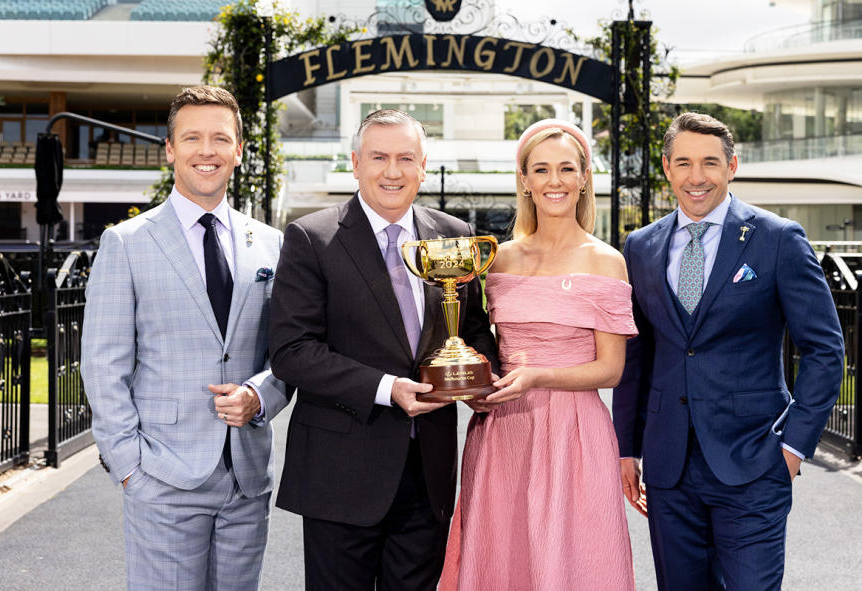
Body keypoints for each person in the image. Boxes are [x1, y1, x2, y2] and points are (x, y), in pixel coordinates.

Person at [613, 112, 844, 590]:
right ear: (666, 168)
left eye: (710, 163)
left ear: (732, 165)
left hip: (755, 459)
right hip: (668, 466)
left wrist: (793, 448)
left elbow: (824, 350)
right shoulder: (639, 247)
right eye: (684, 163)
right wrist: (627, 449)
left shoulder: (778, 239)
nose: (697, 177)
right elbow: (637, 355)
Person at [268, 109, 497, 590]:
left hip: (427, 471)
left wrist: (476, 376)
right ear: (355, 163)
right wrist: (387, 388)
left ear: (423, 166)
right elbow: (292, 350)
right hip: (341, 474)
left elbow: (473, 328)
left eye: (405, 158)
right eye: (379, 157)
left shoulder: (453, 236)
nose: (392, 171)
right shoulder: (312, 238)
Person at [81, 85, 289, 590]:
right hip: (160, 476)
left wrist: (261, 395)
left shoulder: (271, 243)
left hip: (246, 479)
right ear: (170, 149)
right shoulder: (126, 242)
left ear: (238, 150)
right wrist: (129, 467)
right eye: (192, 138)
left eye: (220, 138)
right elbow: (102, 365)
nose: (207, 151)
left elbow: (287, 352)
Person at [439, 119, 636, 590]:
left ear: (584, 176)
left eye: (566, 169)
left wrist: (536, 377)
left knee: (574, 561)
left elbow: (611, 370)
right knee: (504, 559)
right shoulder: (500, 259)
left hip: (575, 434)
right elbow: (484, 345)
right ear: (524, 180)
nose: (555, 181)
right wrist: (475, 389)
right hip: (503, 430)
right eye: (541, 170)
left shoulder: (606, 260)